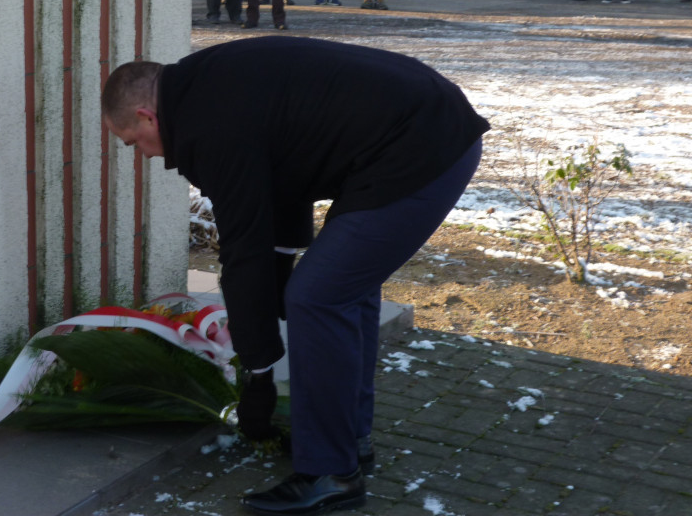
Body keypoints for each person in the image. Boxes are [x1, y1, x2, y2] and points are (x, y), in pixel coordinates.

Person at [101, 37, 488, 516]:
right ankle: (347, 442)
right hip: (424, 123)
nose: (145, 155)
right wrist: (278, 272)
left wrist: (258, 373)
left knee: (318, 298)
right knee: (343, 290)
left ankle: (330, 474)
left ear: (145, 117)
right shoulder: (205, 86)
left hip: (423, 146)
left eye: (133, 143)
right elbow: (281, 173)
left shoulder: (208, 125)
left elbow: (243, 249)